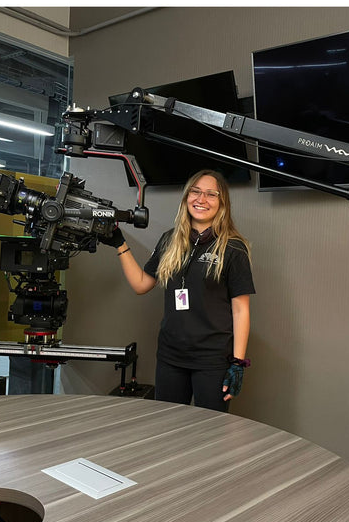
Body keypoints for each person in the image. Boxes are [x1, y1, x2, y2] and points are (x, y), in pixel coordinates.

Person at [102, 169, 255, 412]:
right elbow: (141, 284)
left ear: (222, 203)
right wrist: (119, 243)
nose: (201, 199)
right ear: (186, 197)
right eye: (195, 192)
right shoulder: (169, 240)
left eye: (211, 194)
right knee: (168, 426)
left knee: (210, 428)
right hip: (171, 357)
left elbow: (240, 310)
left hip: (212, 360)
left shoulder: (233, 248)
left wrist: (238, 363)